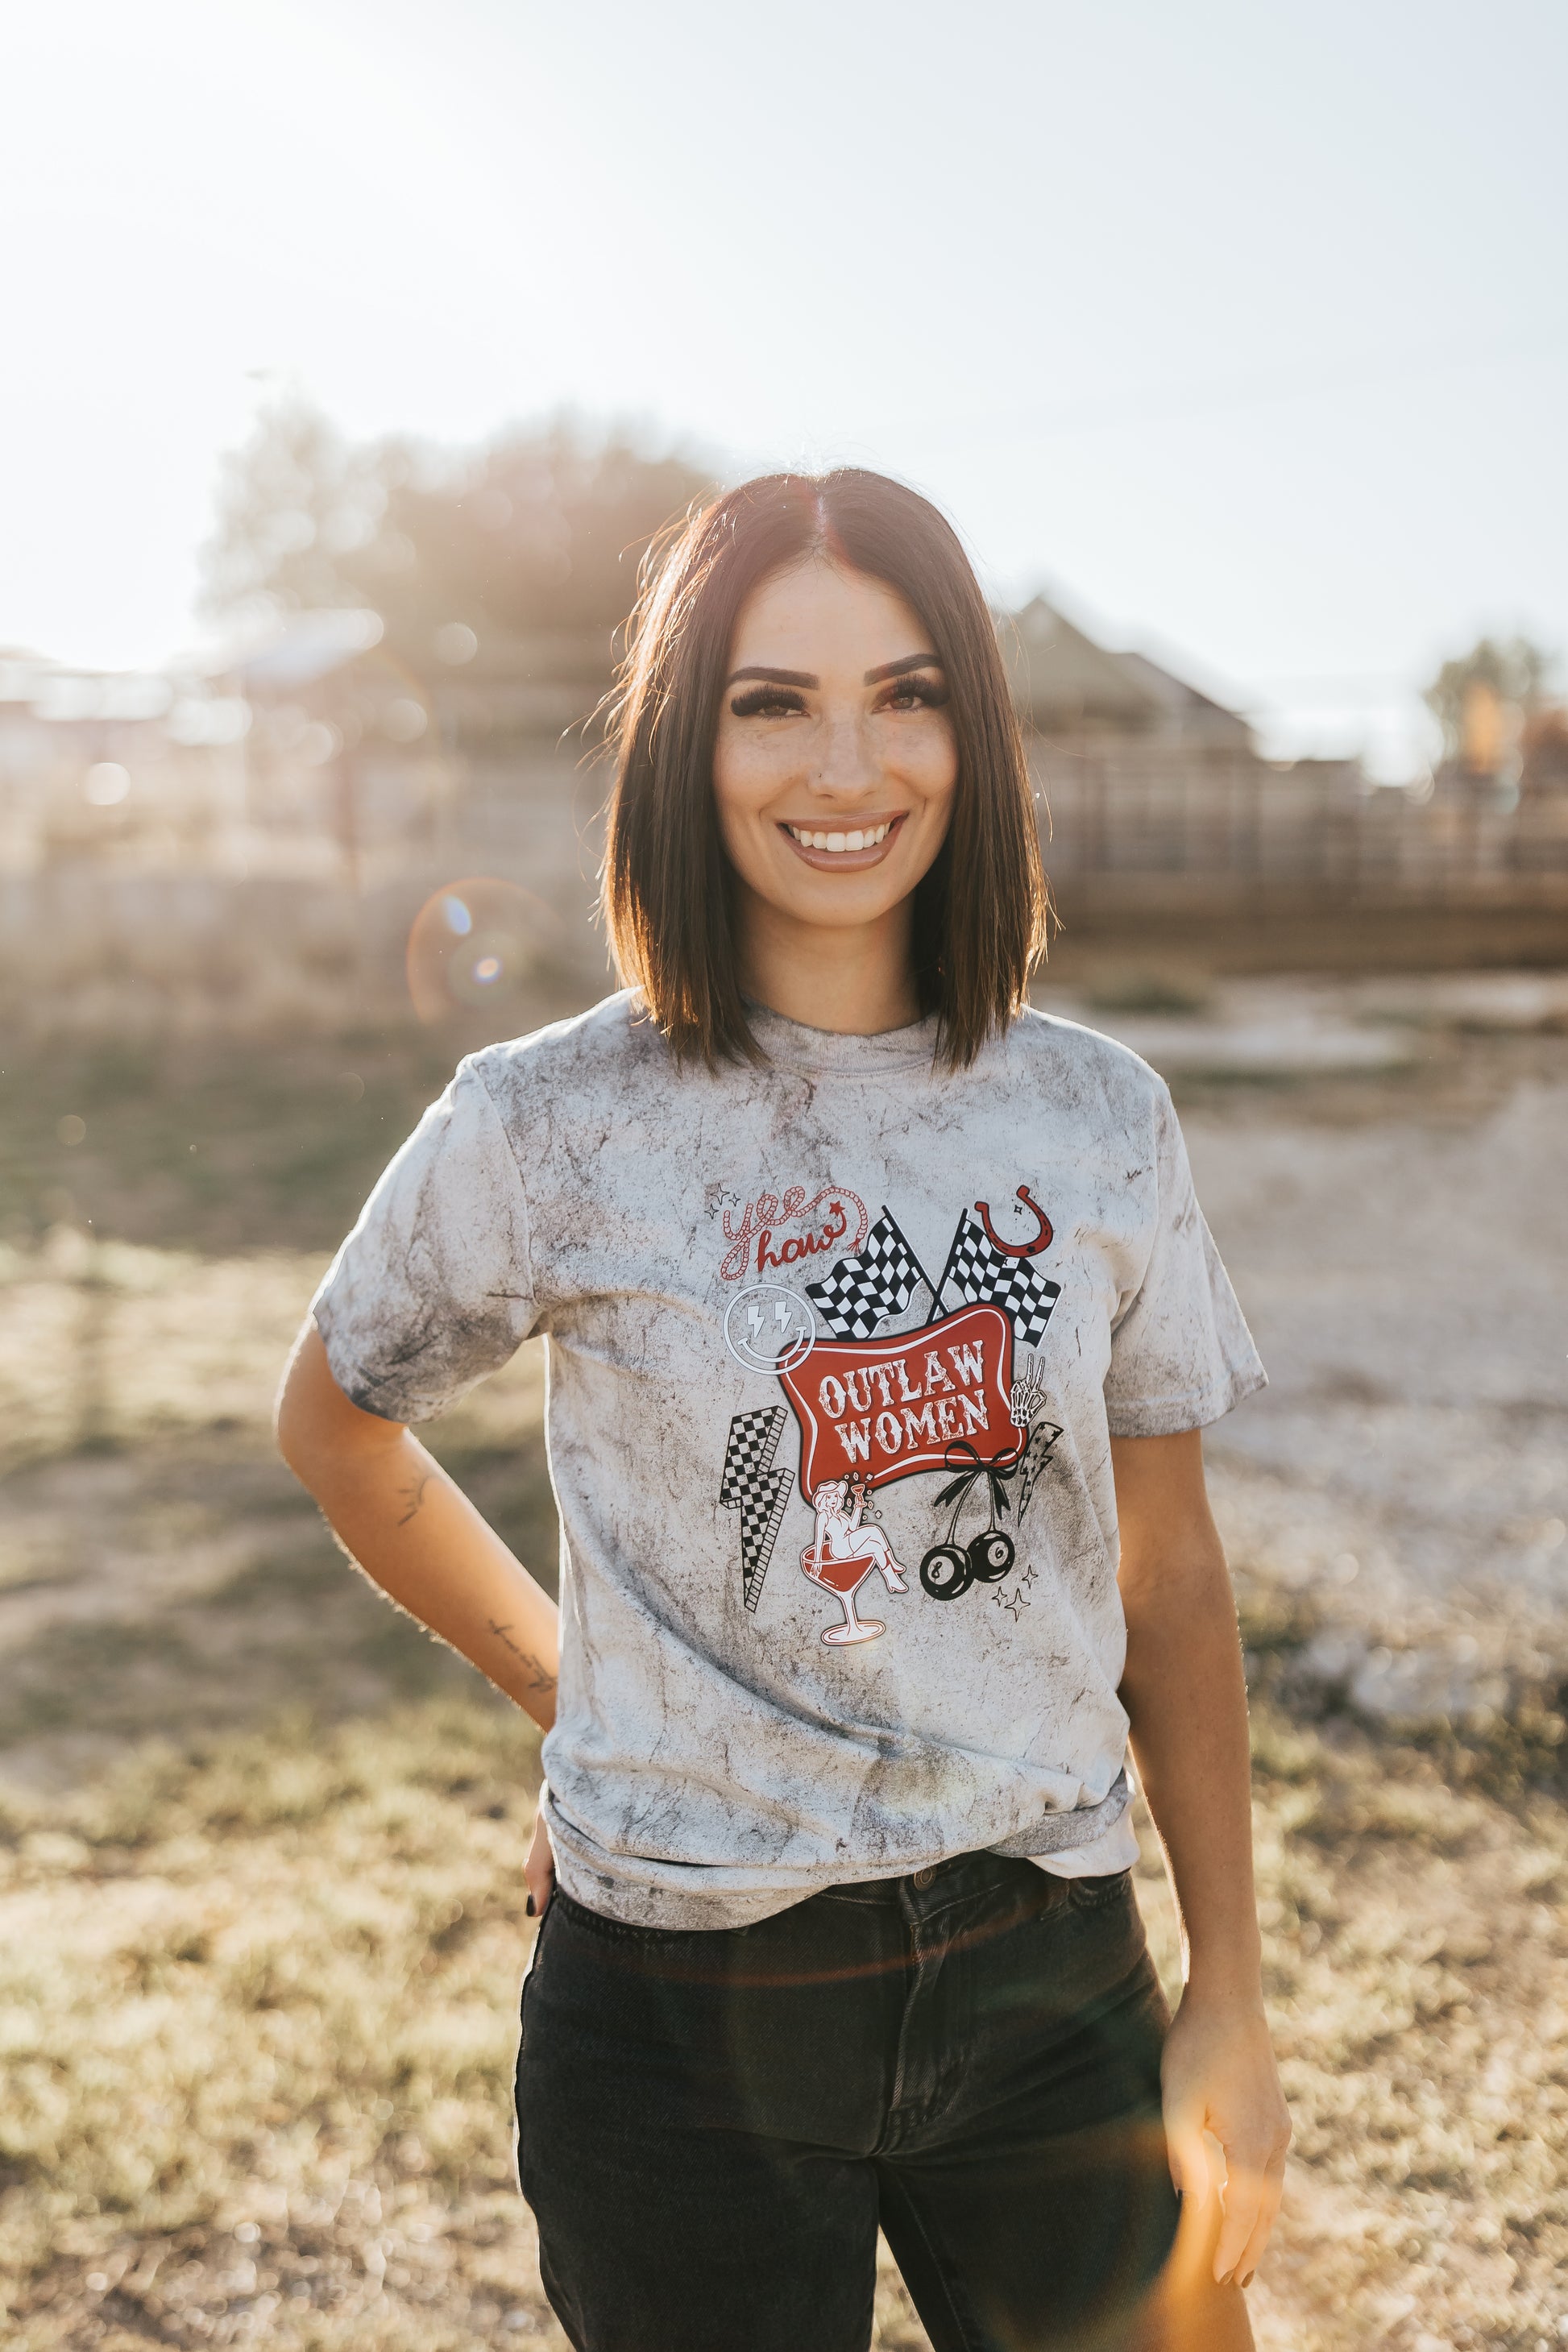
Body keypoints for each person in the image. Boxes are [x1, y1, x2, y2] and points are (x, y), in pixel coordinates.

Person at [276, 468, 1291, 2352]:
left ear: (971, 734)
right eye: (774, 702)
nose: (847, 763)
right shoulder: (546, 1117)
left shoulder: (1093, 1117)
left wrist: (1224, 1985)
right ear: (689, 735)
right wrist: (574, 1690)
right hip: (674, 2009)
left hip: (1046, 1963)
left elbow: (1170, 1571)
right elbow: (340, 1422)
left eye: (904, 694)